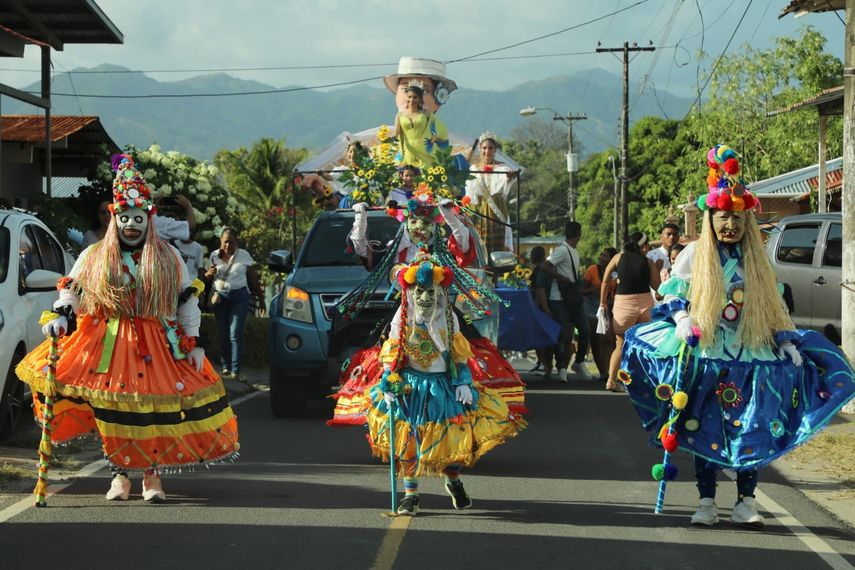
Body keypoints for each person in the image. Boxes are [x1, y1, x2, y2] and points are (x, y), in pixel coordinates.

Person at [619, 145, 855, 527]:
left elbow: (772, 309)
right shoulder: (695, 256)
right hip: (707, 353)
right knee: (702, 426)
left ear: (746, 222)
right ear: (711, 219)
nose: (729, 225)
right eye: (723, 218)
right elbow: (674, 295)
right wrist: (682, 318)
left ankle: (747, 501)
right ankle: (706, 501)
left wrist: (786, 341)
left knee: (752, 427)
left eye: (736, 219)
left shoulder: (757, 261)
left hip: (753, 356)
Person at [16, 154, 239, 502]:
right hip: (106, 339)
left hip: (157, 342)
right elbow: (71, 287)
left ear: (148, 220)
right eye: (124, 218)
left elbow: (186, 300)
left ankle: (152, 476)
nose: (131, 225)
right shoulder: (93, 254)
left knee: (152, 408)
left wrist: (193, 341)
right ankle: (119, 475)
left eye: (137, 218)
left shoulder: (168, 257)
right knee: (111, 409)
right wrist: (62, 313)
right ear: (114, 220)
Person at [330, 186, 527, 424]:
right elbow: (363, 249)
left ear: (434, 226)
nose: (420, 228)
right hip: (404, 314)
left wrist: (450, 216)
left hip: (441, 311)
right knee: (388, 352)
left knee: (462, 350)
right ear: (406, 223)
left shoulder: (442, 249)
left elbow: (464, 244)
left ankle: (460, 416)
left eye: (426, 223)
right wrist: (360, 219)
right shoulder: (395, 248)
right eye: (414, 222)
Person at [365, 251, 525, 515]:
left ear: (439, 292)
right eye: (419, 292)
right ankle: (410, 495)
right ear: (411, 292)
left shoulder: (448, 319)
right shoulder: (402, 316)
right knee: (408, 441)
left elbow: (460, 356)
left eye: (430, 292)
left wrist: (462, 382)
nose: (424, 298)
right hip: (411, 388)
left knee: (450, 441)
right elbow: (391, 352)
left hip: (442, 387)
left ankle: (453, 481)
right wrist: (388, 382)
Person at [600, 233, 659, 392]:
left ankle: (611, 381)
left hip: (623, 304)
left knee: (620, 344)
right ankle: (645, 383)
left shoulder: (617, 258)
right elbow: (657, 288)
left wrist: (603, 301)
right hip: (645, 303)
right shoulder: (648, 262)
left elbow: (605, 280)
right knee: (646, 344)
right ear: (644, 246)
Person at [205, 228, 265, 379]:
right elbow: (205, 277)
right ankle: (225, 366)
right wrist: (209, 274)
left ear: (237, 242)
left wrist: (261, 299)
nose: (228, 245)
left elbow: (253, 279)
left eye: (231, 242)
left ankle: (236, 370)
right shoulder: (213, 256)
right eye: (225, 242)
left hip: (240, 297)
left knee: (235, 333)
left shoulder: (243, 255)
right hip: (220, 298)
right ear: (220, 241)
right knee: (223, 333)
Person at [540, 221, 592, 382]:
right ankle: (561, 367)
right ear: (580, 234)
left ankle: (578, 362)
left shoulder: (572, 251)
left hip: (571, 298)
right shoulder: (562, 250)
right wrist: (561, 277)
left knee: (584, 330)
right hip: (559, 298)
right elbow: (545, 266)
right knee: (562, 334)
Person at [464, 132, 518, 254]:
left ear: (495, 150)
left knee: (499, 239)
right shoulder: (473, 169)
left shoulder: (502, 168)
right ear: (480, 149)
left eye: (490, 148)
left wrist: (510, 177)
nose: (487, 151)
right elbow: (469, 192)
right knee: (481, 240)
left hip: (497, 207)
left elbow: (506, 181)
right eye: (484, 148)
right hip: (480, 208)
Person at [394, 79, 449, 168]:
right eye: (410, 97)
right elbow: (396, 134)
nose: (412, 100)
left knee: (424, 175)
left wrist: (436, 137)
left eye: (415, 97)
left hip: (423, 149)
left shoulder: (426, 114)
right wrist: (385, 138)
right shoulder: (400, 115)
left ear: (419, 99)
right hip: (407, 150)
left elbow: (438, 129)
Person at [583, 247, 618, 382]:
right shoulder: (592, 269)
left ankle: (610, 370)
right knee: (597, 339)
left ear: (612, 259)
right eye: (601, 255)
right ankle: (602, 372)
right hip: (593, 306)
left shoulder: (616, 272)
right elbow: (582, 290)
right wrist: (595, 289)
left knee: (609, 339)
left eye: (605, 256)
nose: (601, 258)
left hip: (610, 306)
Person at [528, 246, 554, 378]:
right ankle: (543, 363)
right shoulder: (545, 268)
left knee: (540, 337)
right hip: (545, 304)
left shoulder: (539, 270)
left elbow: (539, 289)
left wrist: (537, 308)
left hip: (540, 306)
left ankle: (545, 364)